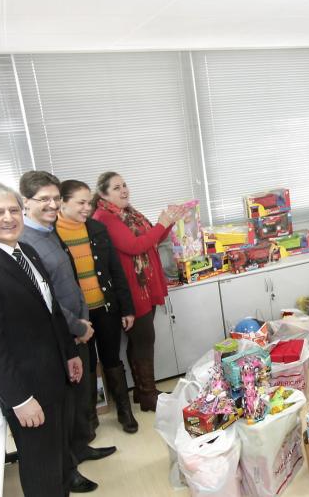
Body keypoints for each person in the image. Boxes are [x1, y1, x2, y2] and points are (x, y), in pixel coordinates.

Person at [0, 182, 84, 495]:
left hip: (55, 377)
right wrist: (20, 400)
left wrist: (69, 353)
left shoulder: (24, 251)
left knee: (59, 460)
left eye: (13, 210)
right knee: (42, 469)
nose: (9, 217)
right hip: (28, 391)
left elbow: (50, 311)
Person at [18, 171, 116, 484]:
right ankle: (68, 471)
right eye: (43, 199)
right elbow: (45, 300)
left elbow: (69, 282)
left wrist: (83, 320)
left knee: (79, 399)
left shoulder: (49, 231)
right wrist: (77, 326)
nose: (51, 204)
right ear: (26, 202)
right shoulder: (24, 241)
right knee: (63, 406)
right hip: (62, 335)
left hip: (77, 327)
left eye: (55, 198)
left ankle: (79, 448)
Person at [91, 171, 186, 411]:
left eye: (124, 185)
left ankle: (144, 392)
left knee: (140, 341)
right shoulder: (105, 217)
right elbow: (135, 246)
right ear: (102, 194)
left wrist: (169, 220)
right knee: (144, 340)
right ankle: (148, 395)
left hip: (145, 284)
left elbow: (151, 238)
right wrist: (162, 224)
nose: (124, 190)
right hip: (133, 289)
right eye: (116, 188)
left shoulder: (128, 213)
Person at [57, 179, 139, 434]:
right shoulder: (52, 235)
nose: (86, 208)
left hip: (105, 308)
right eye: (80, 203)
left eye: (88, 203)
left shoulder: (96, 229)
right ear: (62, 202)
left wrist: (127, 308)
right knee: (87, 364)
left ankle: (124, 411)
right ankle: (89, 418)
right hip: (76, 316)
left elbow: (115, 271)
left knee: (112, 358)